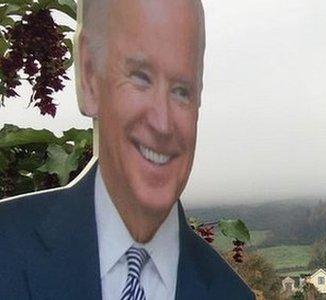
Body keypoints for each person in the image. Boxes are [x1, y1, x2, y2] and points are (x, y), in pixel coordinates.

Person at [0, 0, 254, 299]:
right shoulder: (7, 250)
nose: (162, 123)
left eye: (182, 90)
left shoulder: (231, 294)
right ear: (89, 73)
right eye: (140, 77)